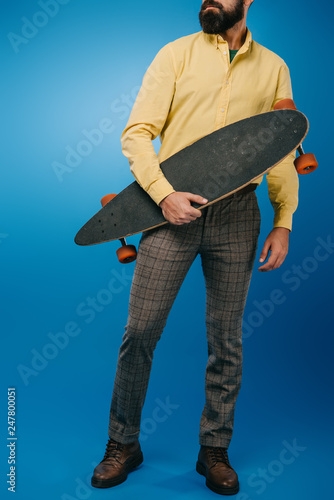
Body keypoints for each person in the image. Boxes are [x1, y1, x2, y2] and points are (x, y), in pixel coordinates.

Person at [91, 0, 299, 495]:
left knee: (225, 340)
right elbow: (138, 134)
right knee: (139, 332)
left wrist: (283, 220)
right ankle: (123, 443)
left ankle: (214, 451)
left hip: (238, 217)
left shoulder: (274, 67)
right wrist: (163, 195)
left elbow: (282, 146)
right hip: (168, 213)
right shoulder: (175, 55)